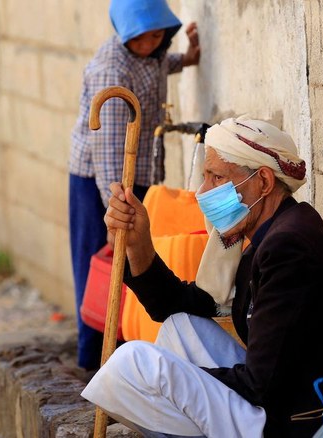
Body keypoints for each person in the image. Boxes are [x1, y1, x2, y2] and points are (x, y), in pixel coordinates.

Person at [82, 117, 323, 437]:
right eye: (206, 177)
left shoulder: (289, 248)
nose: (203, 191)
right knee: (180, 326)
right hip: (279, 397)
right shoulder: (271, 234)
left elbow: (260, 384)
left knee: (133, 361)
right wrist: (138, 244)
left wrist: (182, 384)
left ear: (264, 182)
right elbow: (175, 305)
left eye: (217, 178)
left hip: (301, 422)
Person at [68, 0, 201, 371]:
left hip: (134, 173)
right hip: (102, 180)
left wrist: (187, 58)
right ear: (125, 35)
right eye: (140, 39)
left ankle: (125, 349)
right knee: (99, 264)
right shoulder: (112, 69)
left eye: (156, 37)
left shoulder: (152, 51)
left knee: (132, 263)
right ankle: (94, 357)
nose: (148, 45)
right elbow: (108, 146)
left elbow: (157, 65)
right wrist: (118, 205)